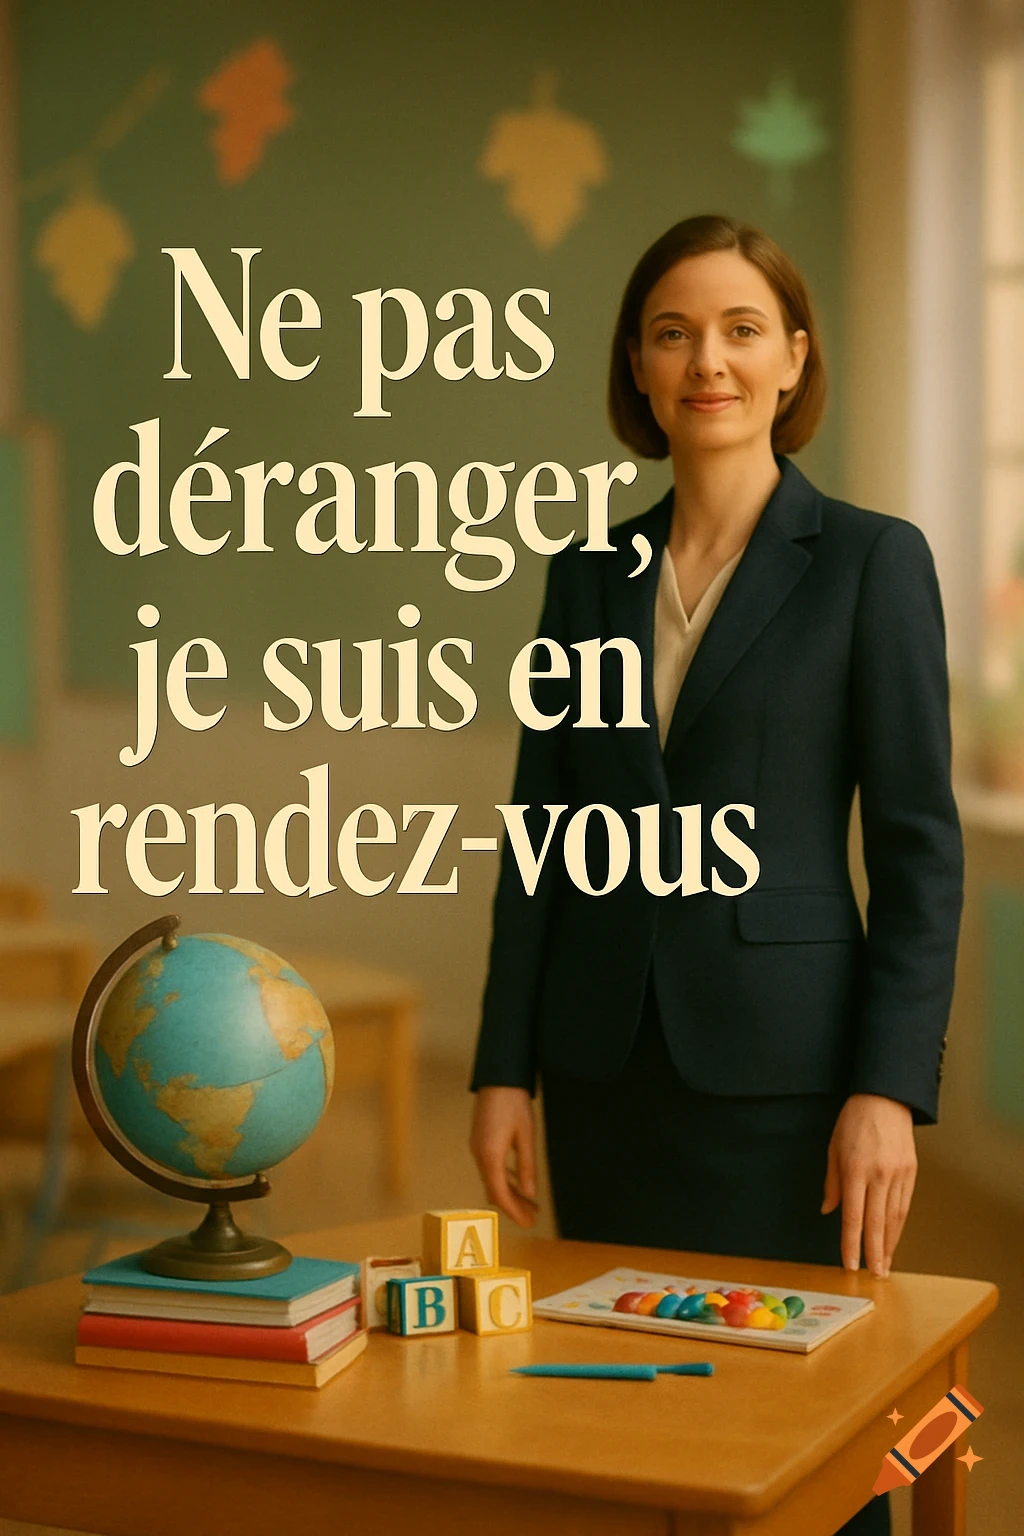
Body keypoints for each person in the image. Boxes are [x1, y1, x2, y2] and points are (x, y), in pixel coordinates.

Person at [468, 214, 963, 1536]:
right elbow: (544, 839)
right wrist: (502, 1066)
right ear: (635, 364)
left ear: (795, 360)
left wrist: (887, 1090)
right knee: (622, 1405)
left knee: (809, 1422)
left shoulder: (872, 560)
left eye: (744, 329)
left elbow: (919, 847)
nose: (710, 361)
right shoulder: (586, 577)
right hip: (601, 1064)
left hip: (790, 1083)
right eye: (675, 331)